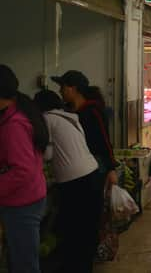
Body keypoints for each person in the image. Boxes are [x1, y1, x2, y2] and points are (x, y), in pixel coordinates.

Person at [34, 90, 103, 273]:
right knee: (87, 228)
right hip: (92, 174)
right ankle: (84, 266)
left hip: (75, 181)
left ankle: (74, 267)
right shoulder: (71, 117)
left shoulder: (46, 119)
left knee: (73, 229)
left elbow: (47, 154)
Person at [0, 65, 48, 273]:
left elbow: (23, 171)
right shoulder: (18, 111)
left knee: (24, 265)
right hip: (28, 197)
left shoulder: (13, 125)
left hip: (22, 203)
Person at [52, 70, 118, 189]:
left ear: (73, 89)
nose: (60, 91)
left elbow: (104, 140)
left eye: (63, 87)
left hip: (96, 166)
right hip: (76, 167)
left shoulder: (93, 111)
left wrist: (111, 168)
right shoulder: (66, 112)